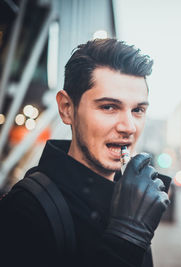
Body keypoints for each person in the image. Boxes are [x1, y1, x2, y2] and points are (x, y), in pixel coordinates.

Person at [0, 38, 170, 267]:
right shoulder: (24, 210)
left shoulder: (134, 201)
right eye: (109, 107)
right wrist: (128, 236)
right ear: (67, 109)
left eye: (138, 109)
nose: (129, 126)